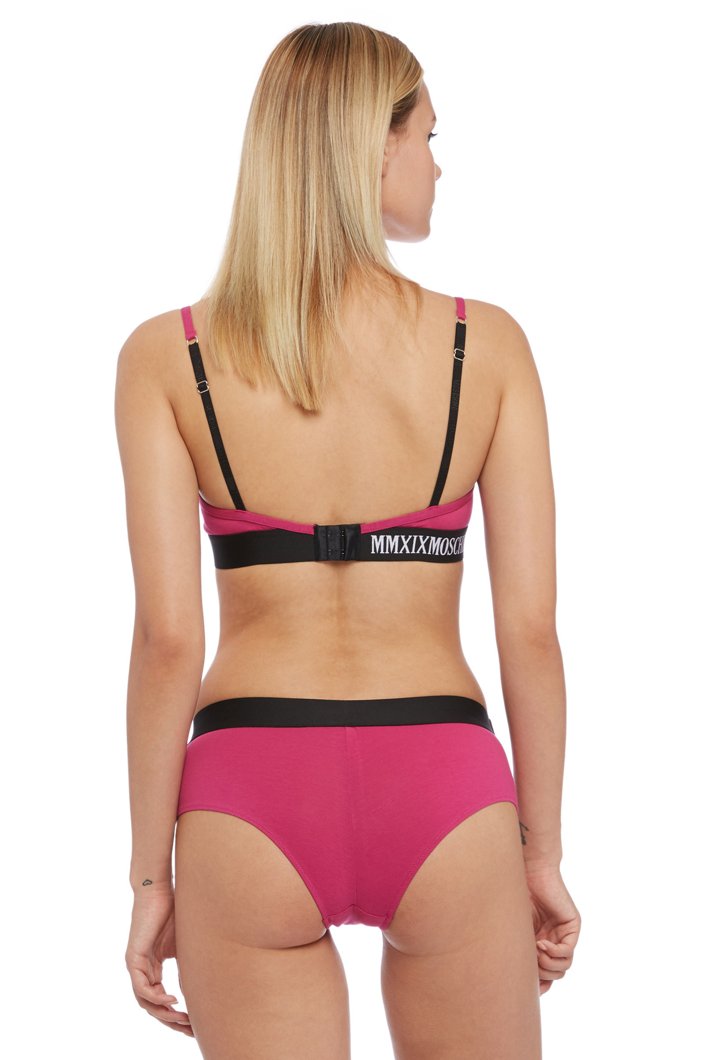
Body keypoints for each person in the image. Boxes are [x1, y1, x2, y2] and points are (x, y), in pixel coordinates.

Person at [115, 20, 580, 1059]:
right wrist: (540, 852)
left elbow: (166, 641)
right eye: (428, 134)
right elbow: (532, 632)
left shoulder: (168, 356)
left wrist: (151, 878)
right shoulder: (485, 347)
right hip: (443, 782)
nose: (438, 163)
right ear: (374, 142)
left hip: (248, 791)